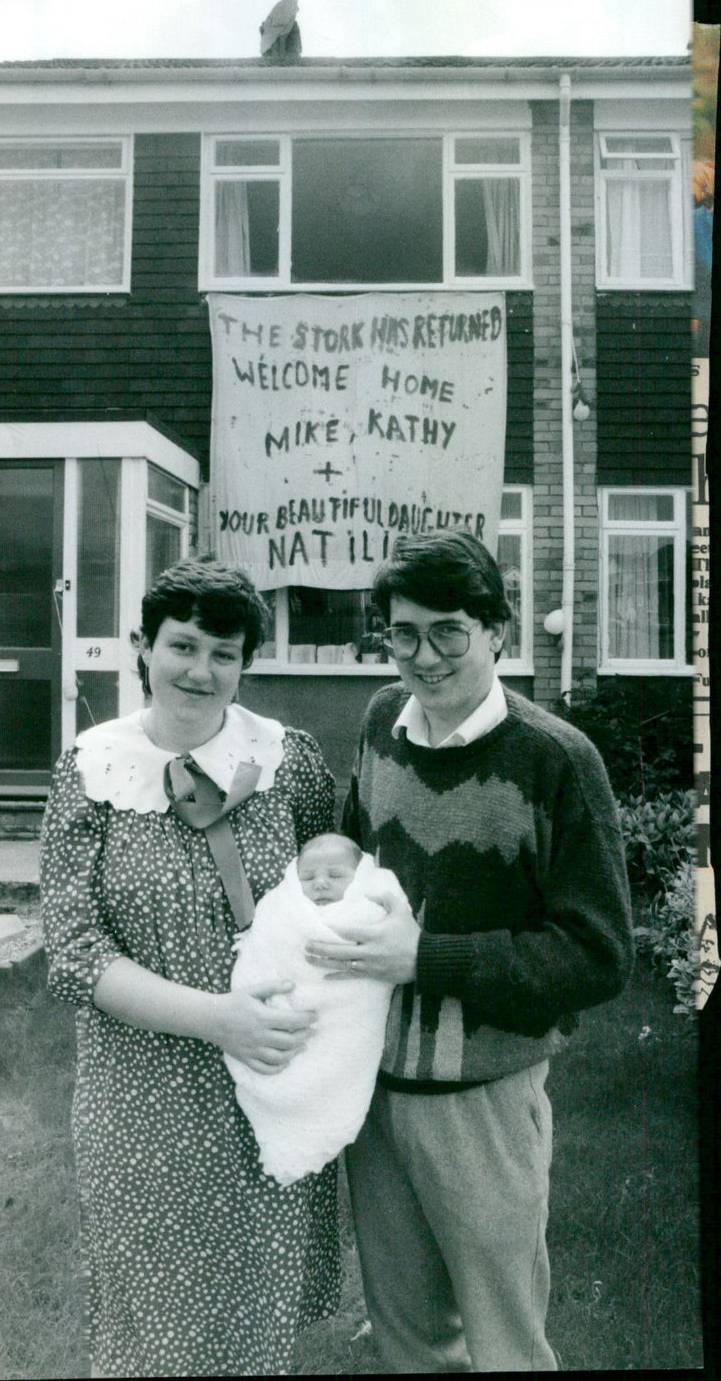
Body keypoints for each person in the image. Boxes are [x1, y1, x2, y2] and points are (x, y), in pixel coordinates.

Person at [306, 530, 634, 1374]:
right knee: (408, 1342)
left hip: (484, 1105)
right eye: (404, 632)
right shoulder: (382, 719)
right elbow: (355, 847)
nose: (425, 654)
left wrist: (428, 958)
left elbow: (599, 954)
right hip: (372, 1096)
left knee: (505, 1346)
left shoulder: (558, 759)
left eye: (449, 629)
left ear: (497, 629)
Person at [39, 558, 341, 1379]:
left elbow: (334, 889)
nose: (200, 670)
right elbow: (74, 952)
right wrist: (220, 1018)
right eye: (183, 644)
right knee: (150, 1336)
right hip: (141, 1102)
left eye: (225, 652)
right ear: (144, 645)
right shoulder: (89, 769)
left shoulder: (291, 762)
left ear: (246, 663)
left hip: (269, 1091)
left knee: (253, 1335)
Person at [226, 835, 407, 1187]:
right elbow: (269, 942)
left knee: (333, 1066)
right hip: (286, 1014)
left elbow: (386, 937)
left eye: (335, 876)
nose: (320, 883)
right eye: (308, 877)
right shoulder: (284, 907)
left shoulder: (368, 906)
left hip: (345, 1018)